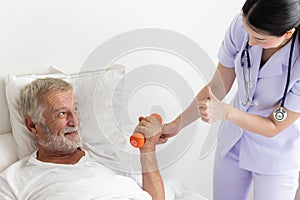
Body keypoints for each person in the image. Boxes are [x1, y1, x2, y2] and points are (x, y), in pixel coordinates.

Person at [159, 0, 300, 199]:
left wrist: (225, 112)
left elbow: (274, 126)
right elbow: (217, 86)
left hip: (275, 154)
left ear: (288, 33)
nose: (250, 41)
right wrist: (176, 124)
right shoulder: (244, 25)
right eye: (247, 31)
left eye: (259, 38)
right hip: (234, 141)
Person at [0, 77, 165, 200]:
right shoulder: (13, 181)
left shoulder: (107, 156)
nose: (74, 121)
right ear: (32, 125)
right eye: (62, 113)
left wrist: (148, 149)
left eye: (75, 109)